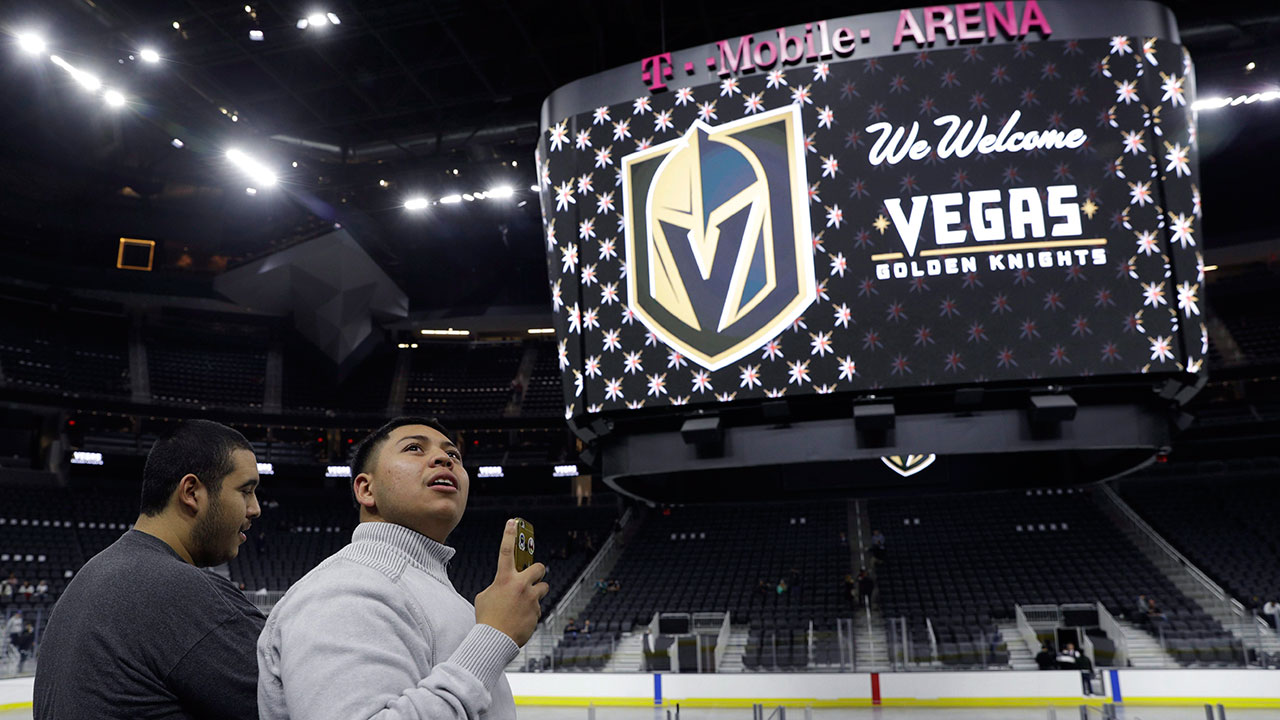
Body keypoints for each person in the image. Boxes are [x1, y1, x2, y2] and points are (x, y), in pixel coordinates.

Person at [258, 417, 546, 720]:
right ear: (366, 490)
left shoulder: (418, 587)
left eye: (454, 455)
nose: (444, 458)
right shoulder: (344, 589)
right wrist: (493, 637)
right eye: (414, 448)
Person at [34, 420, 265, 720]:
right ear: (192, 492)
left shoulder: (91, 577)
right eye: (246, 491)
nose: (255, 508)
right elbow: (303, 702)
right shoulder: (181, 592)